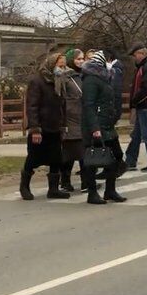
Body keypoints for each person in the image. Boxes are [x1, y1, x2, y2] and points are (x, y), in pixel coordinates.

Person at [20, 52, 70, 201]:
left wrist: (63, 125)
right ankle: (24, 187)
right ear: (51, 64)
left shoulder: (59, 80)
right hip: (41, 128)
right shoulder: (37, 81)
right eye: (59, 65)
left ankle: (53, 189)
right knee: (33, 158)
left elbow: (62, 105)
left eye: (63, 66)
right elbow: (32, 106)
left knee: (56, 159)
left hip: (55, 127)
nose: (61, 69)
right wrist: (35, 128)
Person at [81, 51, 128, 204]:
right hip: (96, 126)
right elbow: (89, 105)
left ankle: (110, 189)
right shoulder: (91, 80)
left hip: (107, 124)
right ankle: (92, 192)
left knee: (116, 156)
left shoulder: (105, 78)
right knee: (93, 159)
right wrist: (95, 127)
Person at [124, 44, 147, 172]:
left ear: (141, 54)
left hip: (145, 105)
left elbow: (146, 89)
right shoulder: (142, 67)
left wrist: (134, 101)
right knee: (137, 135)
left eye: (135, 55)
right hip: (141, 105)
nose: (134, 58)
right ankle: (130, 160)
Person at [59, 49, 87, 193]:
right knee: (69, 153)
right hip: (70, 119)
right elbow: (61, 97)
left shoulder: (85, 75)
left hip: (83, 118)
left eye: (82, 59)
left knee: (84, 152)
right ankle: (65, 181)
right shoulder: (66, 77)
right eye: (78, 59)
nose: (81, 61)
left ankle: (86, 182)